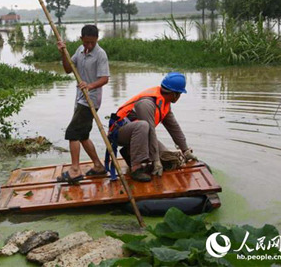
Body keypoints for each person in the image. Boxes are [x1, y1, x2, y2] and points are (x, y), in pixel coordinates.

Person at [110, 72, 196, 182]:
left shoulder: (165, 104)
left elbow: (174, 129)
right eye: (179, 94)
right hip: (119, 133)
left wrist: (185, 150)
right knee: (143, 126)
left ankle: (128, 152)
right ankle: (136, 168)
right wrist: (156, 161)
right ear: (175, 94)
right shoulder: (147, 103)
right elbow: (150, 132)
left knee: (167, 160)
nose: (179, 97)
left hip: (137, 137)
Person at [56, 25, 110, 184]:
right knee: (83, 135)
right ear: (82, 39)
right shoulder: (80, 50)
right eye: (87, 42)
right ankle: (98, 166)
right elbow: (68, 69)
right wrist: (63, 53)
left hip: (91, 100)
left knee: (72, 132)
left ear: (96, 40)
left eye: (92, 42)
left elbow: (105, 78)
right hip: (80, 98)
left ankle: (74, 170)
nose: (89, 46)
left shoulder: (100, 54)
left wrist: (90, 86)